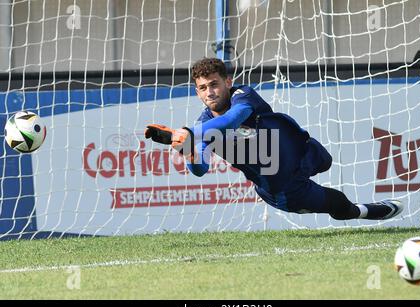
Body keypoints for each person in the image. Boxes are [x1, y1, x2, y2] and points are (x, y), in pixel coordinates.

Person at [145, 57, 403, 221]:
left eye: (214, 84)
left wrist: (190, 133)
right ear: (197, 92)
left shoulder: (242, 96)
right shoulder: (202, 126)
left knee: (326, 160)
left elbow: (234, 119)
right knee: (338, 204)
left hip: (302, 151)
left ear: (227, 81)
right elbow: (200, 169)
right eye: (203, 88)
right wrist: (189, 148)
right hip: (280, 185)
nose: (210, 92)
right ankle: (364, 211)